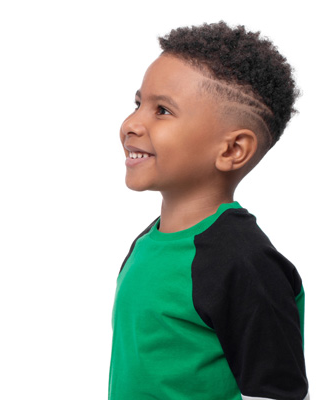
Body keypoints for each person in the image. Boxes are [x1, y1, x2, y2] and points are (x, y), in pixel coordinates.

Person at [109, 21, 309, 400]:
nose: (130, 124)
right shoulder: (148, 242)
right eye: (138, 104)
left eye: (162, 110)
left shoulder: (244, 262)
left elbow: (279, 393)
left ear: (232, 150)